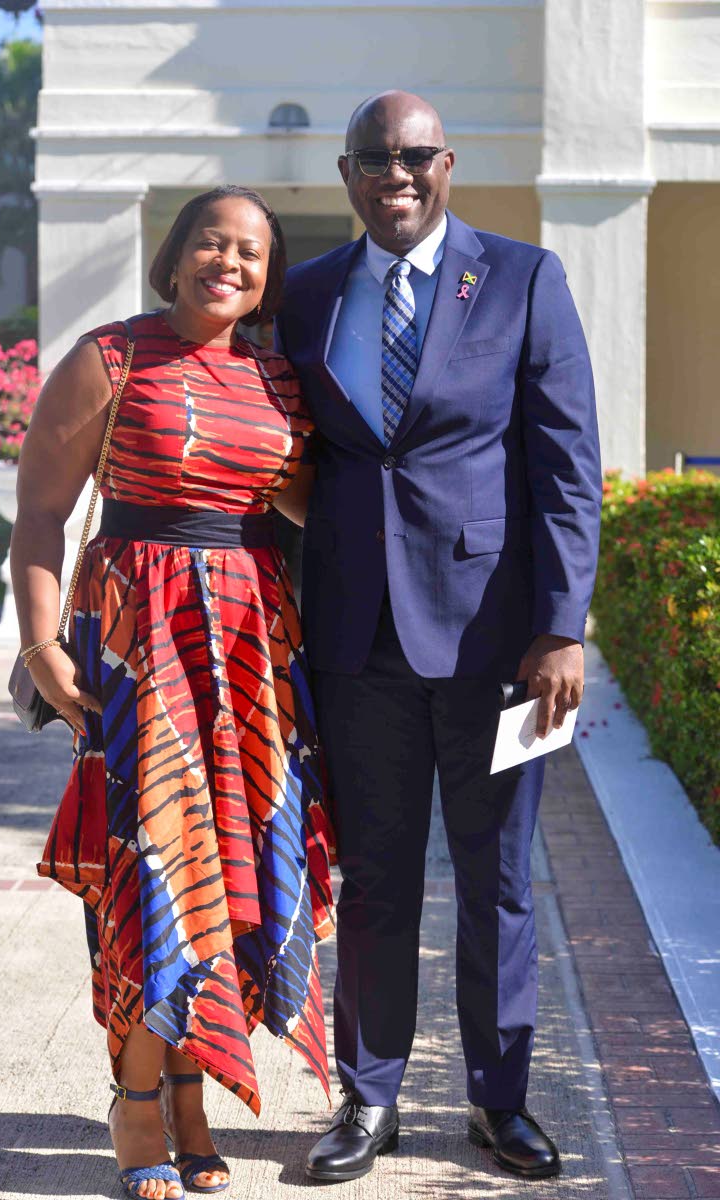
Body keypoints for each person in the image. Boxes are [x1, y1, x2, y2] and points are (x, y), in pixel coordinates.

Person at [274, 91, 602, 1182]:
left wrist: (560, 627)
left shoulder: (521, 278)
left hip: (501, 651)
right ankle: (367, 1103)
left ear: (446, 164)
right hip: (355, 645)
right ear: (346, 171)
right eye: (375, 158)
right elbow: (288, 463)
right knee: (371, 881)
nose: (395, 174)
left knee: (498, 881)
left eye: (414, 156)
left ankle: (496, 1104)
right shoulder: (309, 295)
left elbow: (564, 469)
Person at [11, 186, 335, 1200]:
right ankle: (138, 1101)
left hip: (245, 656)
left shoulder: (277, 379)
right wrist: (37, 641)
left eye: (248, 251)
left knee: (229, 875)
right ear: (176, 253)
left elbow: (319, 502)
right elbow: (38, 513)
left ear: (265, 276)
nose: (226, 262)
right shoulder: (110, 357)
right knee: (148, 869)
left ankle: (192, 1090)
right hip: (135, 641)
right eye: (210, 241)